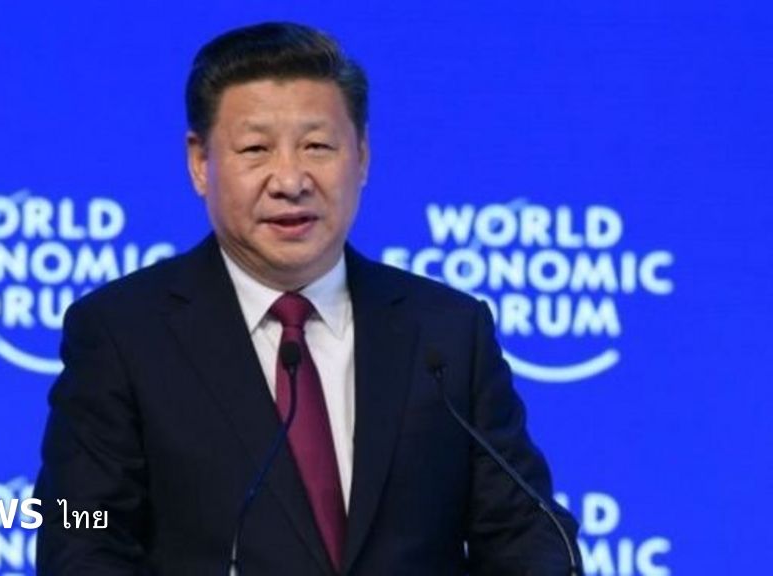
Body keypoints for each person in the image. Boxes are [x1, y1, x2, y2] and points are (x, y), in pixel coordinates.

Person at [34, 21, 582, 575]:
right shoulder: (125, 333)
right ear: (200, 163)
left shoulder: (447, 332)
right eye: (256, 149)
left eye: (317, 146)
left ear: (362, 156)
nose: (290, 180)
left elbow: (525, 532)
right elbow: (80, 530)